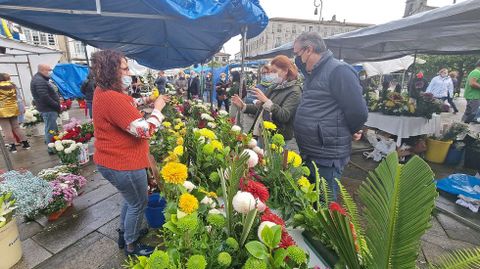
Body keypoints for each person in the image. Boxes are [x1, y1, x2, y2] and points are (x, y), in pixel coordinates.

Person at [91, 50, 168, 257]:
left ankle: (125, 232)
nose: (128, 72)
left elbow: (128, 104)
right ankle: (131, 246)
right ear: (110, 71)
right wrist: (158, 109)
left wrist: (147, 100)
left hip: (112, 161)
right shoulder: (113, 98)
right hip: (122, 163)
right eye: (124, 68)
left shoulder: (103, 92)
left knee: (130, 199)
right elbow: (145, 131)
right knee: (138, 203)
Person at [293, 32, 368, 200]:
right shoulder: (313, 73)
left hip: (327, 154)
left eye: (297, 54)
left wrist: (353, 129)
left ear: (309, 50)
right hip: (311, 151)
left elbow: (358, 111)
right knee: (310, 201)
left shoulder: (339, 71)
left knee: (323, 203)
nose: (296, 60)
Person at [232, 55, 301, 144]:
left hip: (277, 137)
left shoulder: (295, 91)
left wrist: (266, 101)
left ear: (285, 71)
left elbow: (284, 116)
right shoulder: (274, 86)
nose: (272, 75)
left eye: (275, 71)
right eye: (271, 71)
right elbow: (261, 109)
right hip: (262, 132)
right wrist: (244, 106)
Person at [30, 64, 60, 153]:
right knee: (50, 128)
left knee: (52, 128)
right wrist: (55, 104)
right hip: (48, 108)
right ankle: (51, 148)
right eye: (49, 70)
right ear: (43, 70)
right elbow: (44, 96)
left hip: (48, 108)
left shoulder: (41, 79)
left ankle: (55, 145)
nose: (50, 72)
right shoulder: (40, 81)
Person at [0, 73, 30, 153]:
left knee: (6, 129)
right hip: (13, 109)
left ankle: (12, 147)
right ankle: (25, 143)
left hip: (2, 111)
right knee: (16, 127)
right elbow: (18, 97)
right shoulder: (12, 85)